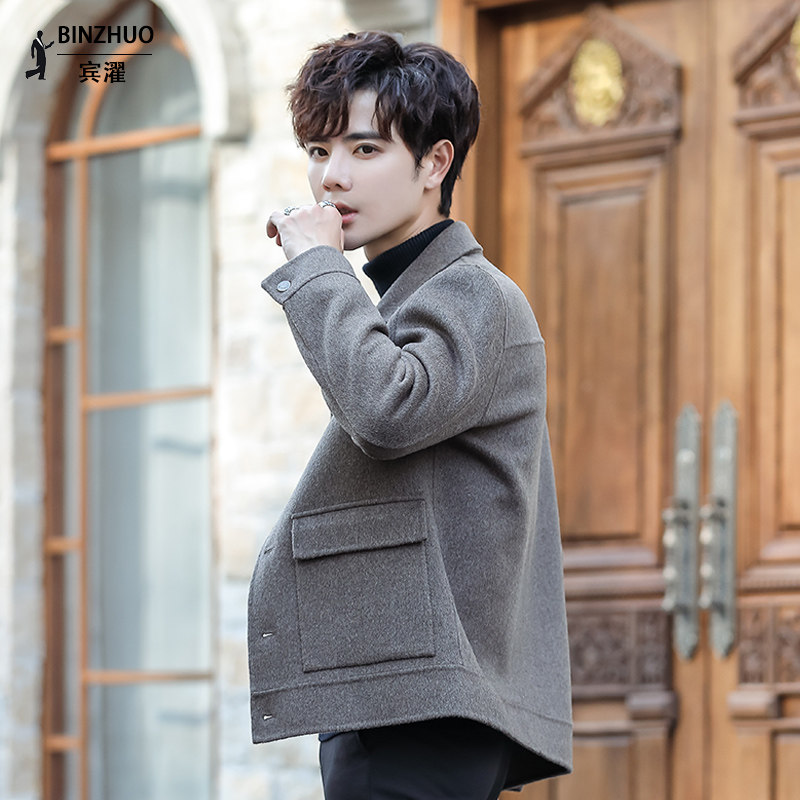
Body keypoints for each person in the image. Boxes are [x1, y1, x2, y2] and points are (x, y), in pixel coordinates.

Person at [248, 31, 572, 799]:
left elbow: (386, 409)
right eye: (319, 151)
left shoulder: (471, 292)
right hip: (402, 694)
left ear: (435, 163)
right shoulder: (414, 295)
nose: (331, 176)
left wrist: (317, 270)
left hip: (422, 709)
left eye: (364, 149)